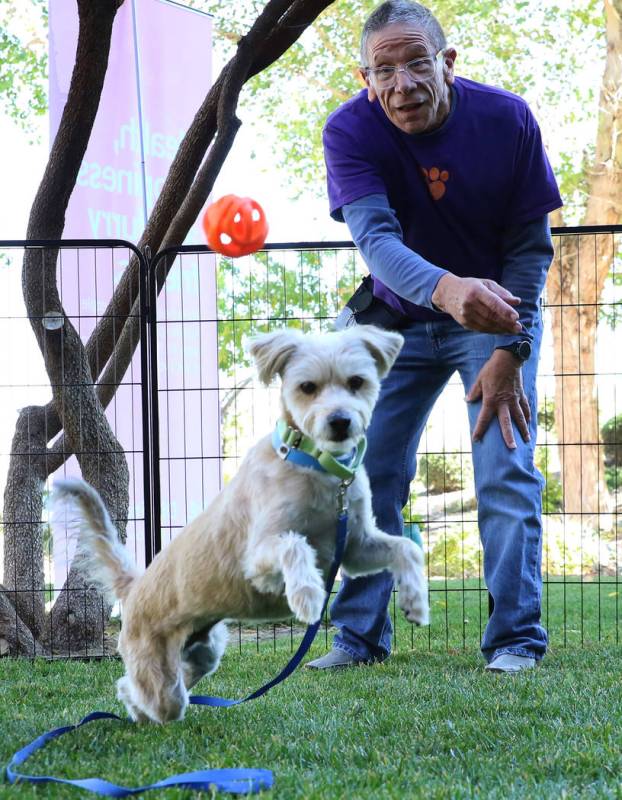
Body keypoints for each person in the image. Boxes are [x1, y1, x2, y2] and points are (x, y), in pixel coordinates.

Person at [306, 0, 562, 673]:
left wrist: (513, 349)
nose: (402, 84)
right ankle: (358, 638)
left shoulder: (507, 120)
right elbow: (377, 243)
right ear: (366, 78)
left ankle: (515, 640)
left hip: (492, 322)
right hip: (392, 323)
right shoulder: (350, 130)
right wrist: (449, 288)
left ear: (446, 63)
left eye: (417, 63)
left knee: (505, 471)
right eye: (382, 71)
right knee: (364, 475)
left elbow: (530, 251)